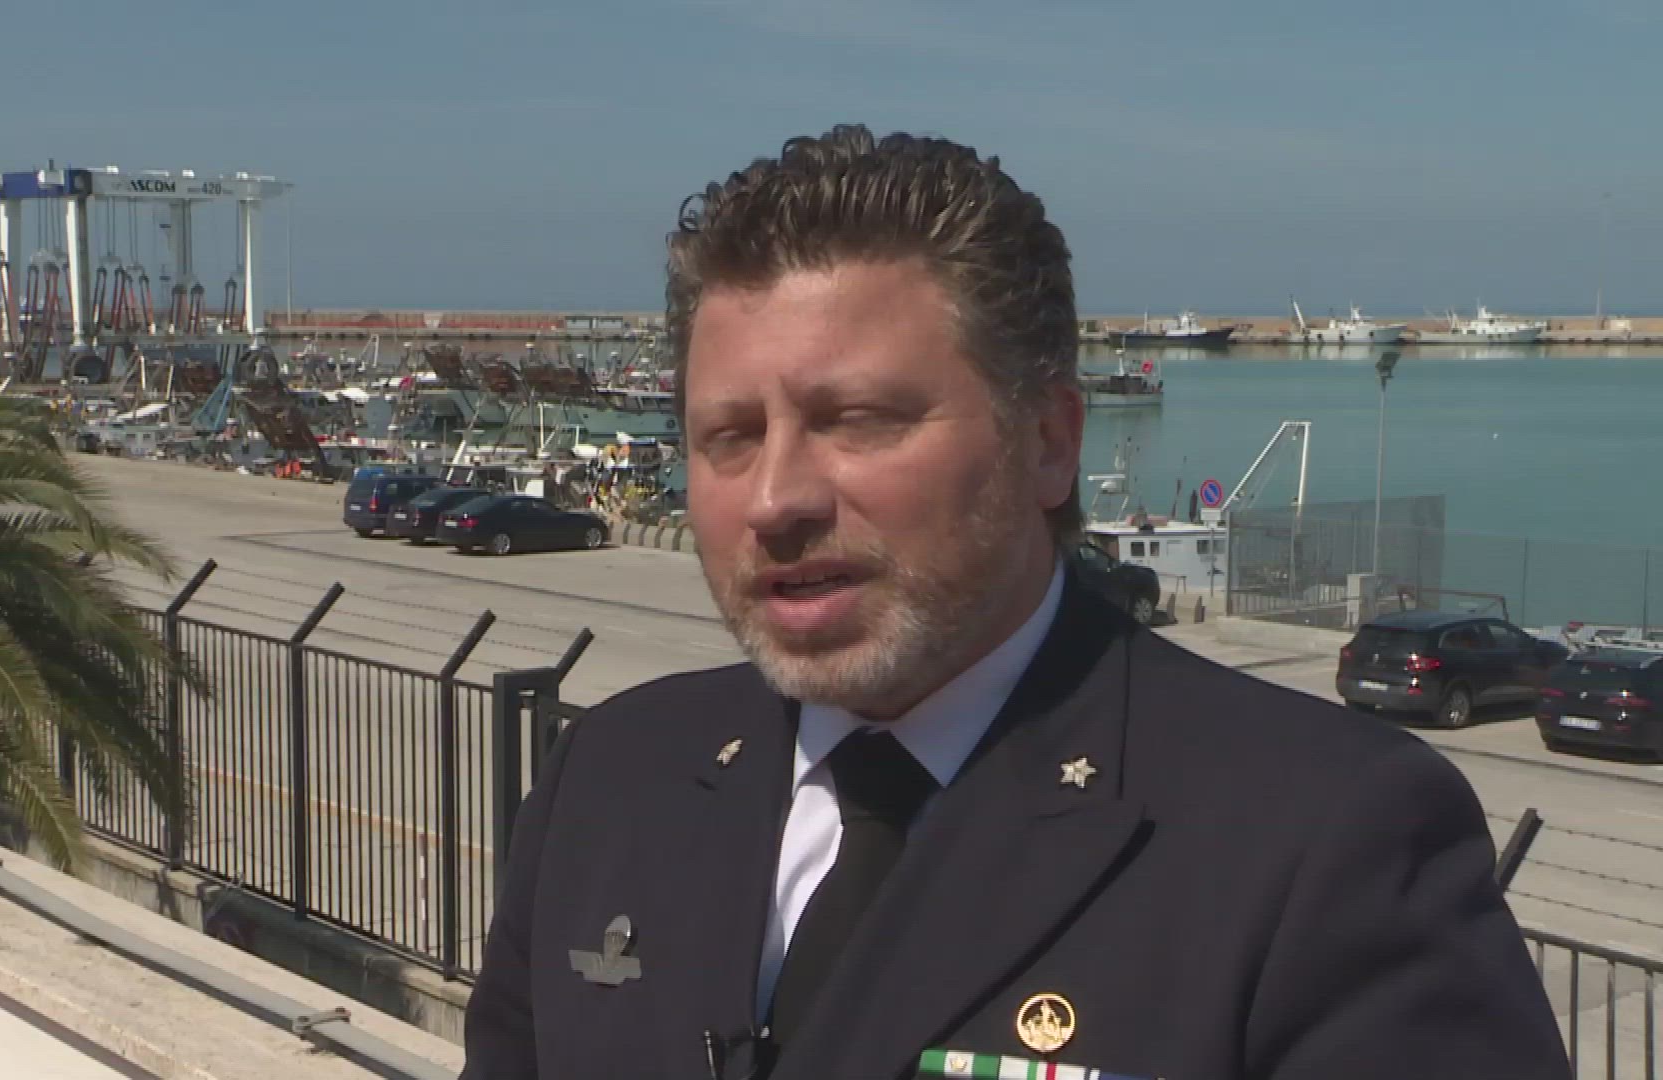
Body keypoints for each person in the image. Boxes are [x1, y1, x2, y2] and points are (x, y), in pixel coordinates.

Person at [461, 125, 1567, 1080]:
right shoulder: (612, 780)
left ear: (1047, 443)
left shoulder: (1321, 843)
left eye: (857, 419)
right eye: (729, 436)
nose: (775, 499)